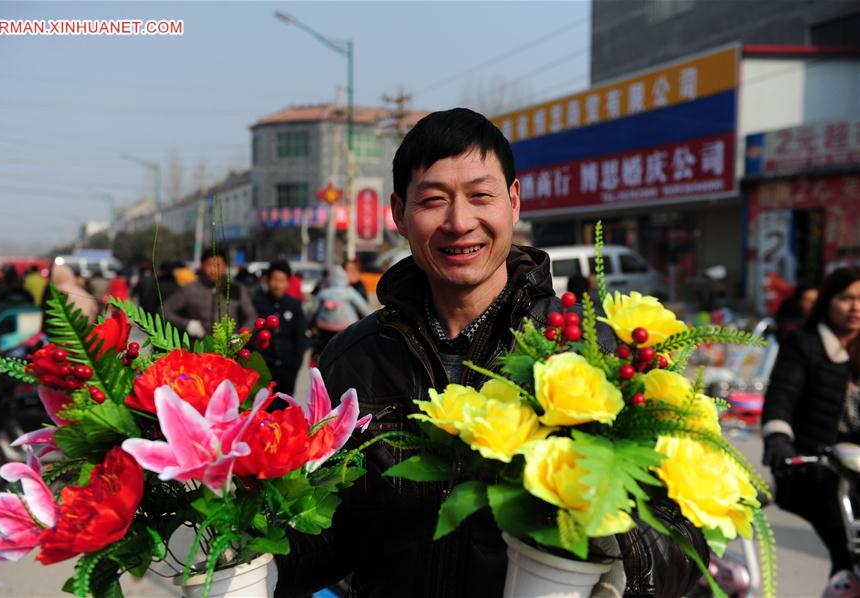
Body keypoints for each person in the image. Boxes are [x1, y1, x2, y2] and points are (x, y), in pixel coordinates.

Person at [274, 108, 707, 597]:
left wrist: (617, 533)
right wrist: (247, 532)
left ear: (514, 202)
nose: (460, 223)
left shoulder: (592, 351)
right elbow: (323, 543)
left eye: (481, 196)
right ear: (399, 213)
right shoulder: (354, 360)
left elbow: (685, 542)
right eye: (434, 200)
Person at [762, 267, 860, 597]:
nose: (855, 307)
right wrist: (779, 437)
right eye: (846, 298)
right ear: (826, 302)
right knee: (847, 551)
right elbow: (782, 395)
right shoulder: (804, 344)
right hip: (815, 470)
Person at [164, 250, 256, 339]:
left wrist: (241, 336)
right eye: (209, 265)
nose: (214, 269)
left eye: (218, 265)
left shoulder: (236, 289)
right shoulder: (190, 289)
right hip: (198, 348)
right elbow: (165, 311)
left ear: (225, 266)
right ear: (202, 266)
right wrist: (187, 324)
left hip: (229, 348)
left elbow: (251, 317)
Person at [253, 260, 307, 396]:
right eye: (274, 280)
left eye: (282, 280)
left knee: (285, 408)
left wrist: (296, 363)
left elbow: (300, 336)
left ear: (288, 282)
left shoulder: (294, 305)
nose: (277, 284)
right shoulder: (257, 302)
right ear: (268, 280)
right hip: (265, 366)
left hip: (288, 367)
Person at [309, 266, 373, 366]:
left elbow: (311, 311)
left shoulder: (323, 293)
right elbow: (365, 309)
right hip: (347, 328)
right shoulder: (350, 292)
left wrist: (309, 325)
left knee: (324, 354)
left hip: (325, 329)